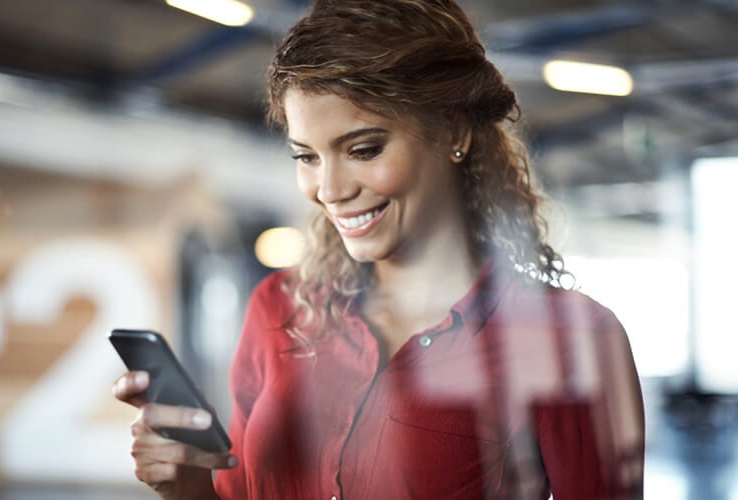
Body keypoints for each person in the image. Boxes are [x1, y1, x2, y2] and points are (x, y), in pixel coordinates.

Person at [113, 0, 645, 498]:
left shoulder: (570, 340)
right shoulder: (277, 310)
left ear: (453, 129)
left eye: (363, 150)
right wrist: (186, 484)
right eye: (307, 157)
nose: (329, 189)